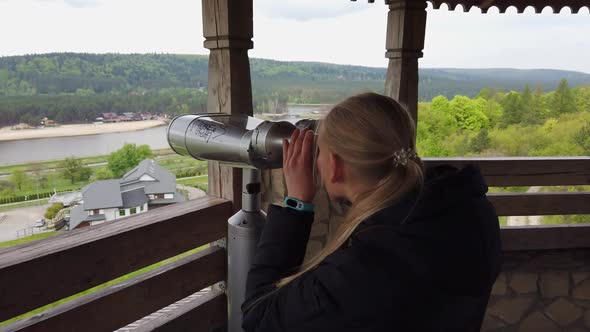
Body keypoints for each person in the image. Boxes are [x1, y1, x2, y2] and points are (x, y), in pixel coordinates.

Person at [242, 92, 502, 332]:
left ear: (334, 166)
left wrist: (296, 204)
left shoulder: (366, 265)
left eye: (320, 152)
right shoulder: (470, 210)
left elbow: (259, 316)